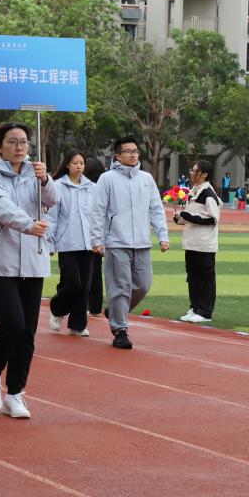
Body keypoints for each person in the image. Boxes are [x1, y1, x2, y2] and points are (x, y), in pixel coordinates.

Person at [0, 123, 56, 419]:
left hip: (33, 261)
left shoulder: (36, 174)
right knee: (13, 322)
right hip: (1, 262)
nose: (19, 147)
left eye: (23, 142)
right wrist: (28, 225)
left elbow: (53, 200)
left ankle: (15, 393)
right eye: (12, 142)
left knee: (28, 332)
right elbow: (0, 208)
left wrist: (45, 180)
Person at [89, 137, 169, 350]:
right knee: (120, 286)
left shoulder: (146, 178)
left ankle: (116, 310)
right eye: (128, 151)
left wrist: (163, 235)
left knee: (143, 284)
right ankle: (120, 330)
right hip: (116, 241)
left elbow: (156, 208)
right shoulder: (107, 179)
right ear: (117, 156)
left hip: (142, 241)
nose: (133, 155)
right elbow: (97, 211)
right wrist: (97, 240)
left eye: (135, 151)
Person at [47, 149, 96, 337]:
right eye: (75, 163)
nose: (79, 166)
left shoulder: (92, 187)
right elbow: (52, 217)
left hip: (88, 244)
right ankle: (57, 308)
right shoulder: (57, 186)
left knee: (84, 287)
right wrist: (50, 242)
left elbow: (97, 216)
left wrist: (99, 240)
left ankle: (78, 325)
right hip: (66, 242)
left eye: (81, 163)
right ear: (67, 164)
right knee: (73, 283)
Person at [172, 160, 221, 324]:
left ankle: (205, 312)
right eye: (191, 170)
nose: (191, 173)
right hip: (191, 242)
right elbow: (192, 216)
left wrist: (187, 216)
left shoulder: (208, 194)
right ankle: (195, 308)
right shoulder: (194, 192)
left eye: (195, 171)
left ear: (204, 174)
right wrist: (180, 219)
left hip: (204, 244)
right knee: (193, 277)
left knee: (205, 278)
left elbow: (212, 220)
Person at [84, 156, 106, 315]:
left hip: (85, 235)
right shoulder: (102, 189)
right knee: (95, 271)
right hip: (97, 235)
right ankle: (95, 307)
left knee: (84, 272)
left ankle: (85, 305)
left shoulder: (89, 189)